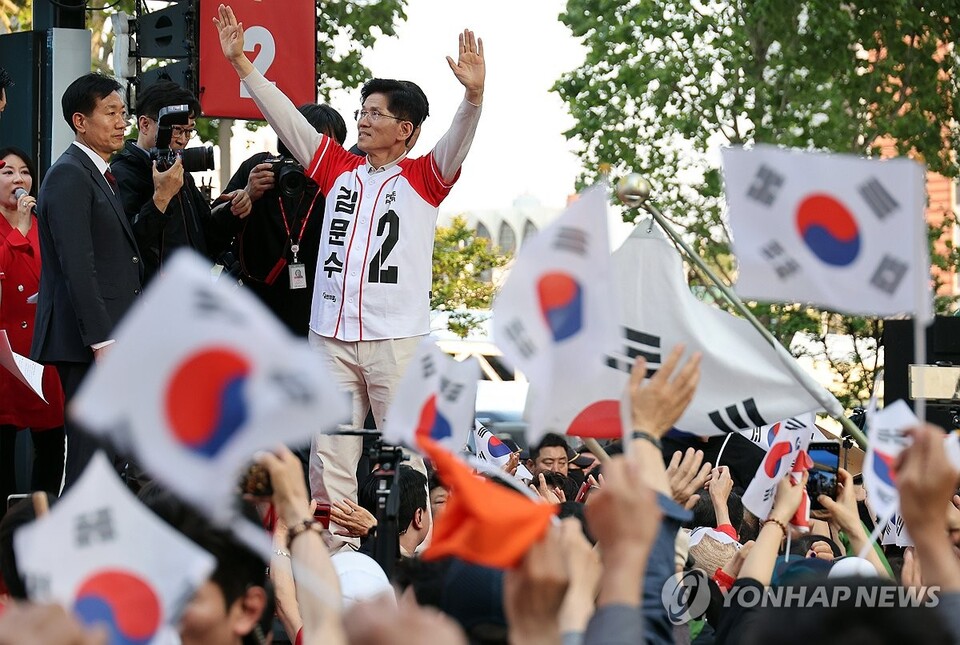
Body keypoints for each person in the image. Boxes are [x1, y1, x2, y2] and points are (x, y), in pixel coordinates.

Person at [215, 4, 485, 514]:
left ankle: (403, 555)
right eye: (362, 110)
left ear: (405, 129)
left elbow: (458, 141)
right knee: (330, 455)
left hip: (395, 341)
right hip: (330, 337)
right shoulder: (337, 166)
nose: (362, 118)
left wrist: (472, 97)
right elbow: (288, 121)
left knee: (403, 454)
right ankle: (337, 558)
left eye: (375, 112)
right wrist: (243, 67)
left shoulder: (426, 176)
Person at [30, 73, 143, 491]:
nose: (121, 122)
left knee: (107, 458)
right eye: (110, 112)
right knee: (88, 459)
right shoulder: (69, 175)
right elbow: (77, 265)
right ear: (80, 121)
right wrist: (102, 342)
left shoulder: (98, 173)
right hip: (87, 344)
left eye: (124, 113)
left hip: (106, 339)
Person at [223, 103, 347, 337]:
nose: (315, 152)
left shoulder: (342, 183)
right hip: (253, 306)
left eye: (326, 146)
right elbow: (214, 231)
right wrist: (248, 194)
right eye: (308, 141)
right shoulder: (260, 168)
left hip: (313, 311)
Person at [111, 80, 250, 286]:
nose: (183, 140)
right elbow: (126, 246)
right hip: (152, 299)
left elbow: (206, 238)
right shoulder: (123, 174)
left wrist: (233, 211)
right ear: (145, 124)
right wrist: (161, 198)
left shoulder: (180, 172)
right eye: (176, 130)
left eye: (189, 131)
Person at [0, 148, 65, 510]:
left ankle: (44, 515)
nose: (18, 180)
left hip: (41, 350)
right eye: (8, 172)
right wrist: (19, 231)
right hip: (3, 354)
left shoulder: (45, 224)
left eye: (24, 172)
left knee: (51, 442)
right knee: (4, 445)